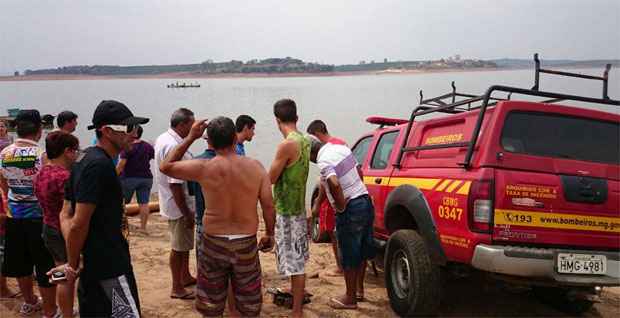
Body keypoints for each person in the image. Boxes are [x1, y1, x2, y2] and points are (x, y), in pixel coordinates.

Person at [159, 116, 275, 317]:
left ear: (209, 142)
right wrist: (270, 234)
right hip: (245, 242)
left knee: (210, 307)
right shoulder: (256, 167)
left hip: (213, 243)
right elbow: (268, 206)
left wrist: (190, 138)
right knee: (248, 305)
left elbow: (165, 167)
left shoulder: (204, 167)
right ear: (234, 139)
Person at [50, 100, 148, 317]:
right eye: (129, 128)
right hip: (109, 265)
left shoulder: (82, 158)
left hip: (93, 265)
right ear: (107, 131)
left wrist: (74, 258)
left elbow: (66, 213)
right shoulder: (99, 166)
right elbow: (77, 223)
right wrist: (72, 265)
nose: (134, 134)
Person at [0, 110, 58, 317]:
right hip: (39, 216)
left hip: (14, 215)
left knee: (20, 263)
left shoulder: (4, 153)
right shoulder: (41, 155)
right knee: (45, 264)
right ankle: (51, 310)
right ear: (39, 130)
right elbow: (48, 187)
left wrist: (14, 199)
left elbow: (4, 183)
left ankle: (30, 301)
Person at [309, 138, 376, 310]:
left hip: (351, 208)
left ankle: (350, 298)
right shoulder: (340, 149)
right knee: (361, 250)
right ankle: (359, 291)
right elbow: (359, 173)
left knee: (349, 254)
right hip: (364, 200)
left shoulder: (323, 160)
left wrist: (340, 206)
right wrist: (318, 203)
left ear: (311, 154)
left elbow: (334, 182)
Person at [268, 99, 310, 318]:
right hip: (299, 208)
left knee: (295, 263)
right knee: (298, 258)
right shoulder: (306, 140)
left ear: (277, 120)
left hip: (288, 211)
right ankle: (296, 300)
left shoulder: (286, 144)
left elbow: (271, 178)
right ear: (297, 117)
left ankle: (296, 311)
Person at [34, 131, 80, 317]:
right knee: (67, 275)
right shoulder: (64, 177)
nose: (77, 154)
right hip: (63, 229)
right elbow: (73, 209)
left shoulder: (41, 172)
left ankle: (59, 310)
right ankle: (67, 313)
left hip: (47, 225)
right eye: (76, 150)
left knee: (59, 271)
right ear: (67, 151)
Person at [154, 108, 197, 300]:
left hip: (175, 202)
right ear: (181, 125)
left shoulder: (166, 138)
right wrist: (187, 212)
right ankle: (176, 287)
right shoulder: (172, 145)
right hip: (178, 204)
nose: (193, 129)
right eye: (191, 124)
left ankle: (185, 276)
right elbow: (175, 185)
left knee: (184, 244)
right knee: (178, 247)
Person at [307, 119, 347, 276]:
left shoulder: (325, 153)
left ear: (316, 135)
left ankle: (340, 267)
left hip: (335, 196)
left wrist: (318, 202)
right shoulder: (341, 144)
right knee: (339, 231)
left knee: (334, 232)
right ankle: (343, 266)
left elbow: (328, 181)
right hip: (343, 194)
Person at [117, 125, 155, 233]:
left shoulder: (128, 146)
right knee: (144, 203)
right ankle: (143, 228)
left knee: (122, 202)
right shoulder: (147, 146)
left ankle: (121, 226)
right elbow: (154, 157)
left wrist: (114, 175)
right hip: (146, 178)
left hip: (129, 178)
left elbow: (121, 164)